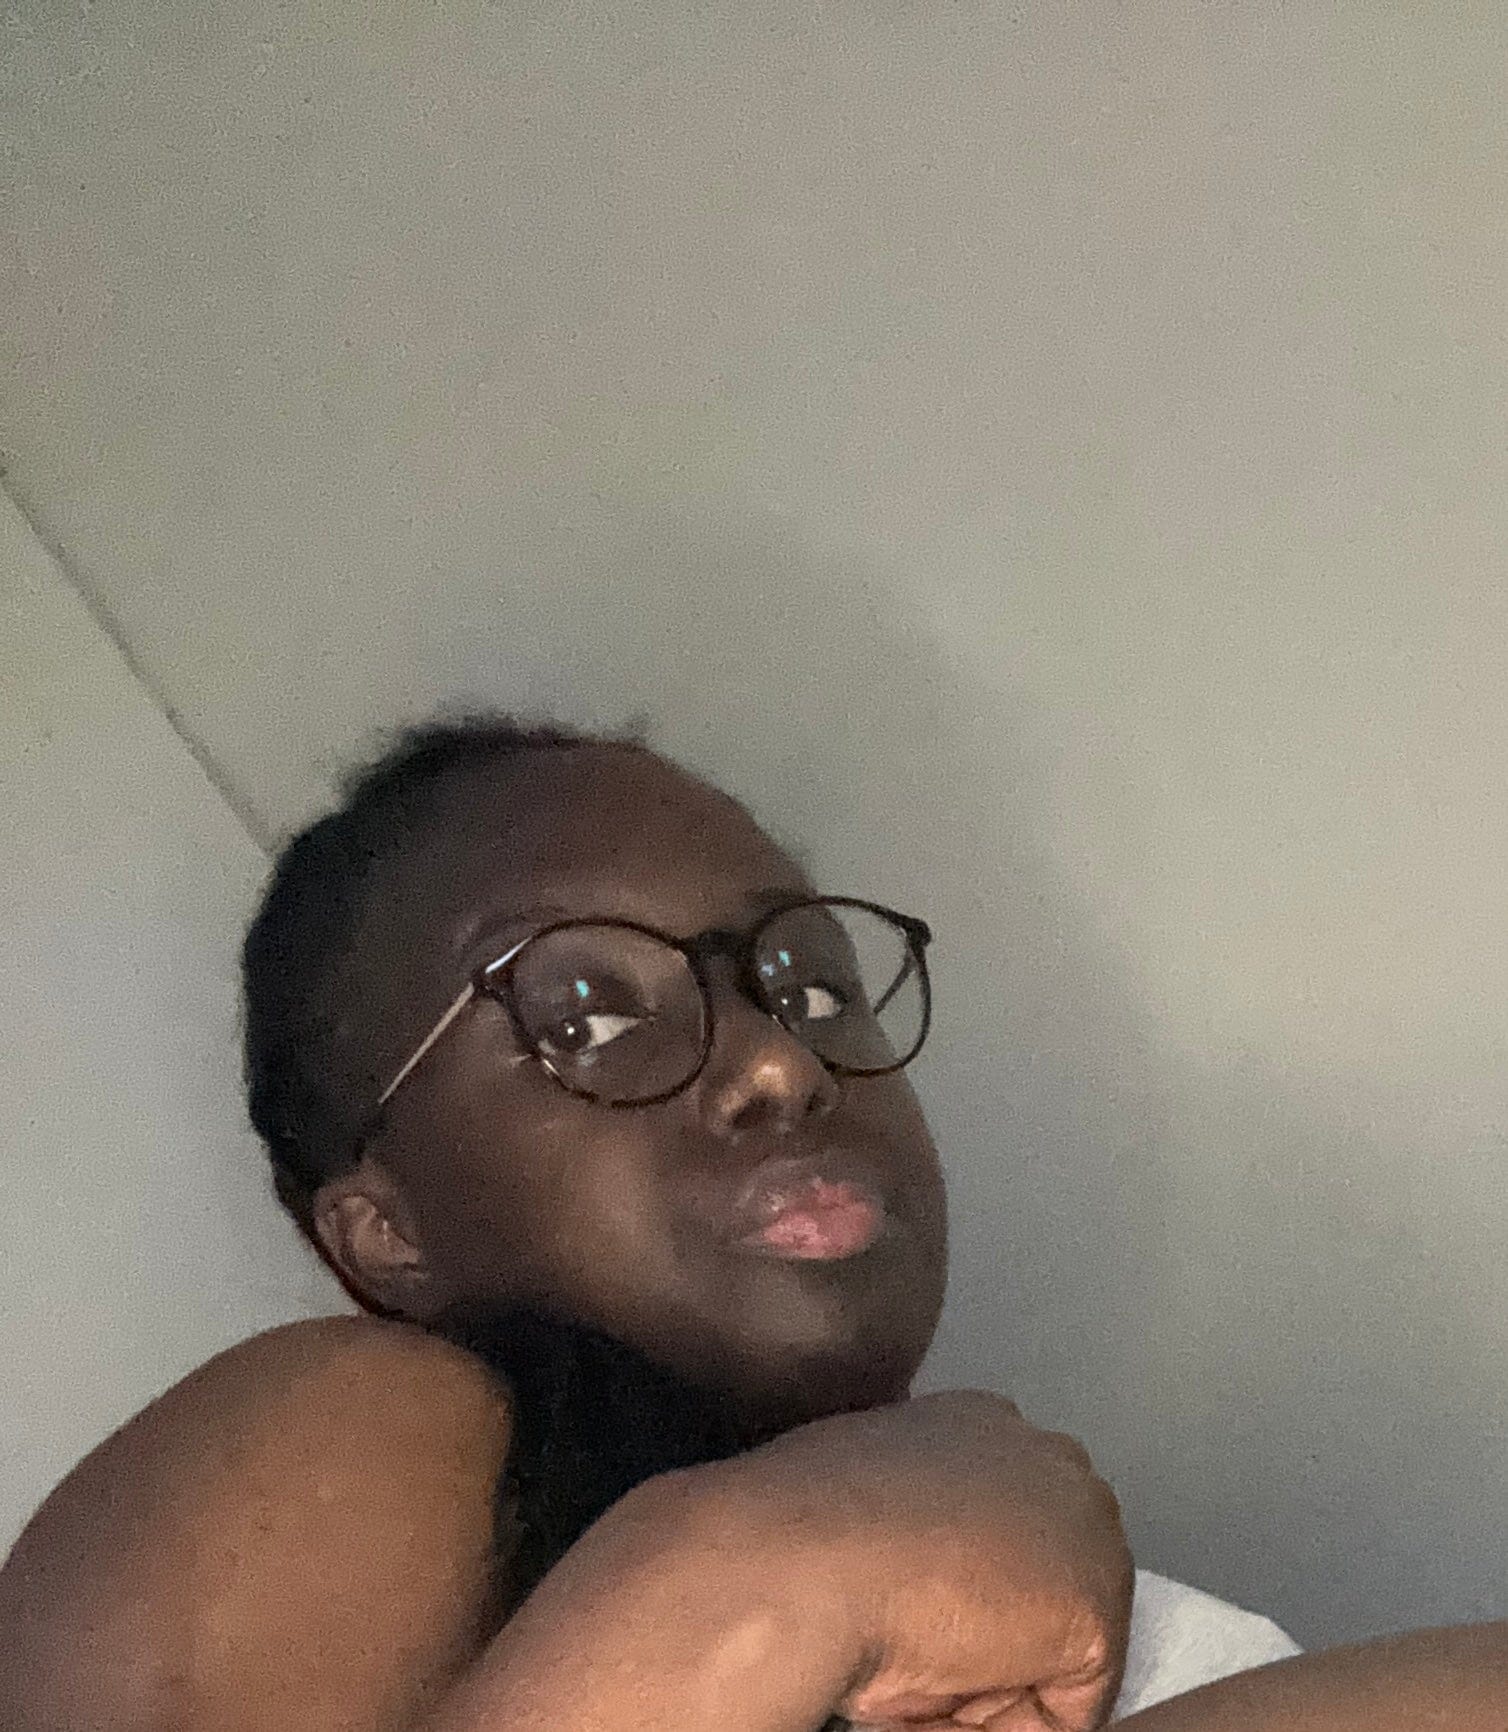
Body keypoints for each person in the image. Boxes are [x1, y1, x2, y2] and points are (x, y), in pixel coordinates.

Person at [11, 713, 1457, 1732]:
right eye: (587, 1011)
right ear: (385, 1232)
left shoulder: (1060, 1588)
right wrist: (757, 1580)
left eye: (809, 984)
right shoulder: (354, 1422)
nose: (778, 1060)